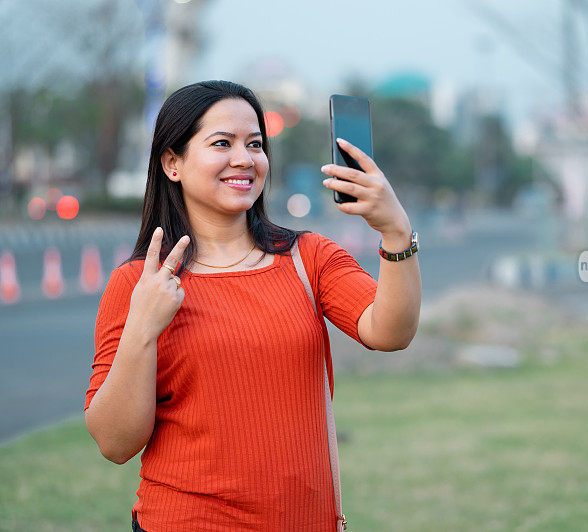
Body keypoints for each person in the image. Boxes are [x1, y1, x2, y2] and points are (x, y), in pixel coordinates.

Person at [83, 80, 421, 531]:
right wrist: (142, 327)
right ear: (172, 163)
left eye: (255, 144)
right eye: (222, 143)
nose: (244, 159)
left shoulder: (309, 258)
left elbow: (390, 332)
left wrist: (397, 233)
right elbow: (115, 443)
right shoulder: (138, 284)